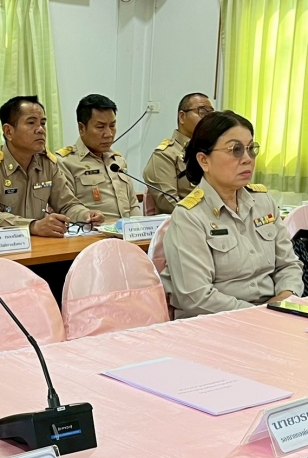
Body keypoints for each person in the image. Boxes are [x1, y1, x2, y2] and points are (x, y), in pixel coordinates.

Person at [161, 111, 303, 318]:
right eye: (235, 150)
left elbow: (288, 265)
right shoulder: (189, 216)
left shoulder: (263, 202)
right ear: (204, 160)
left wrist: (285, 297)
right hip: (216, 321)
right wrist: (259, 314)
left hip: (273, 313)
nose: (247, 159)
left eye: (251, 149)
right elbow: (196, 297)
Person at [0, 95, 104, 237]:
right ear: (8, 131)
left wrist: (86, 214)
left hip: (37, 245)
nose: (41, 130)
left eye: (43, 123)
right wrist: (33, 226)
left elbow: (67, 204)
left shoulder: (47, 163)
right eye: (31, 123)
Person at [56, 94, 140, 219]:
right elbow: (66, 207)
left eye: (112, 125)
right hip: (92, 229)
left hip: (126, 229)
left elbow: (133, 205)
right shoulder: (65, 162)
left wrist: (140, 226)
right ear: (81, 128)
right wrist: (86, 217)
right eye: (100, 127)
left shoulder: (117, 160)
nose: (109, 134)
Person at [143, 93, 214, 214]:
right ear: (182, 117)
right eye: (202, 112)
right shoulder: (165, 155)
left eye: (211, 114)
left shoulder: (213, 151)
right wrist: (206, 216)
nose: (208, 119)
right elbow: (169, 204)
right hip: (186, 221)